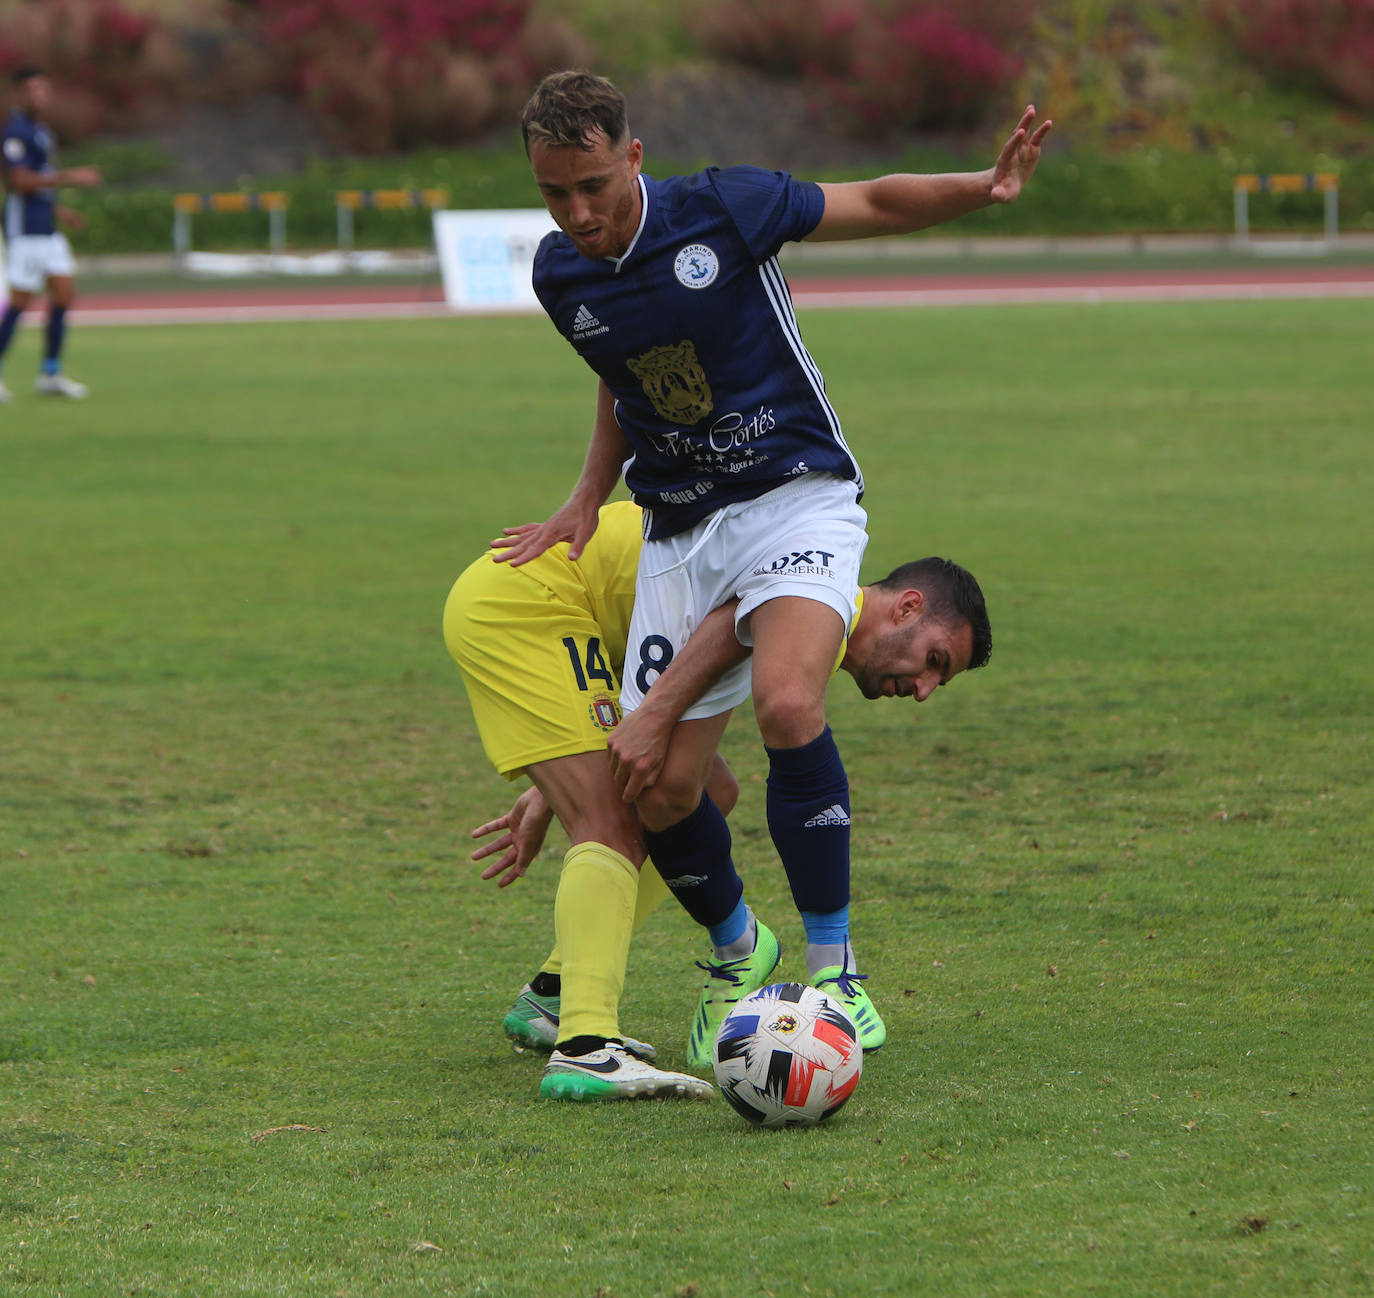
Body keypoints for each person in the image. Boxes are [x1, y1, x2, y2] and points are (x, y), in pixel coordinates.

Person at [492, 71, 1043, 1068]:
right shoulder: (559, 275)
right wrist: (586, 491)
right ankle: (738, 955)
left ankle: (837, 971)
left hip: (797, 491)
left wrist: (982, 188)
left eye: (595, 187)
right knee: (658, 785)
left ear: (634, 158)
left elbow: (870, 199)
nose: (577, 213)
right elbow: (630, 381)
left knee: (790, 703)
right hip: (677, 526)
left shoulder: (723, 207)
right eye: (553, 193)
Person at [445, 498, 991, 1100]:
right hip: (530, 607)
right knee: (614, 820)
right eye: (934, 661)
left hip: (575, 619)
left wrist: (556, 787)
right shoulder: (805, 597)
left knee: (708, 791)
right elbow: (712, 626)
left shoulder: (809, 606)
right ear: (907, 607)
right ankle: (586, 1045)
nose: (923, 690)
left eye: (941, 681)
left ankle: (554, 994)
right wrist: (573, 787)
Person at [0, 66, 101, 402]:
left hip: (47, 227)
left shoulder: (40, 130)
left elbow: (38, 180)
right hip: (25, 231)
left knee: (63, 294)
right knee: (19, 303)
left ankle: (51, 373)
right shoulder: (15, 131)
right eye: (31, 90)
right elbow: (19, 182)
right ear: (18, 94)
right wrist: (69, 177)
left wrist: (59, 209)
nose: (38, 96)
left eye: (42, 90)